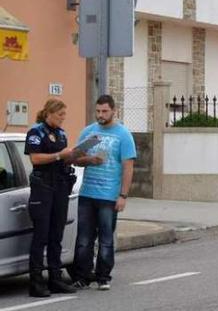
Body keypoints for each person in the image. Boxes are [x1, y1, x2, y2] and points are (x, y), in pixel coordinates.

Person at [70, 95, 137, 291]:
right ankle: (82, 275)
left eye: (104, 111)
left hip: (108, 196)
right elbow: (75, 159)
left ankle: (103, 276)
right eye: (98, 111)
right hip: (87, 193)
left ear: (113, 111)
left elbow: (128, 167)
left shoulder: (122, 135)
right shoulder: (90, 133)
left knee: (106, 238)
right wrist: (90, 160)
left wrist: (123, 195)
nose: (100, 115)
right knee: (84, 238)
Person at [24, 99, 80, 298]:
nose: (63, 119)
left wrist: (76, 156)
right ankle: (36, 283)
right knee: (41, 236)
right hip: (43, 188)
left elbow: (64, 156)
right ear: (49, 113)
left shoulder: (61, 134)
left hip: (60, 187)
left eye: (64, 115)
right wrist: (58, 155)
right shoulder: (36, 132)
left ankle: (55, 278)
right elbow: (35, 158)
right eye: (60, 115)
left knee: (57, 234)